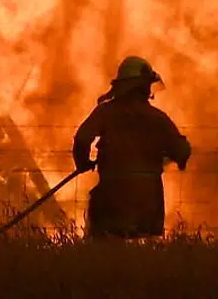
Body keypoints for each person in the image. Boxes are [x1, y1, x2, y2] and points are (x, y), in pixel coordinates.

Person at [72, 55, 191, 239]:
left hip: (112, 196)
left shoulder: (106, 112)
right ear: (142, 87)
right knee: (142, 257)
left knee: (106, 251)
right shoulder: (157, 118)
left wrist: (83, 162)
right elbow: (181, 150)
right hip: (148, 199)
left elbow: (82, 139)